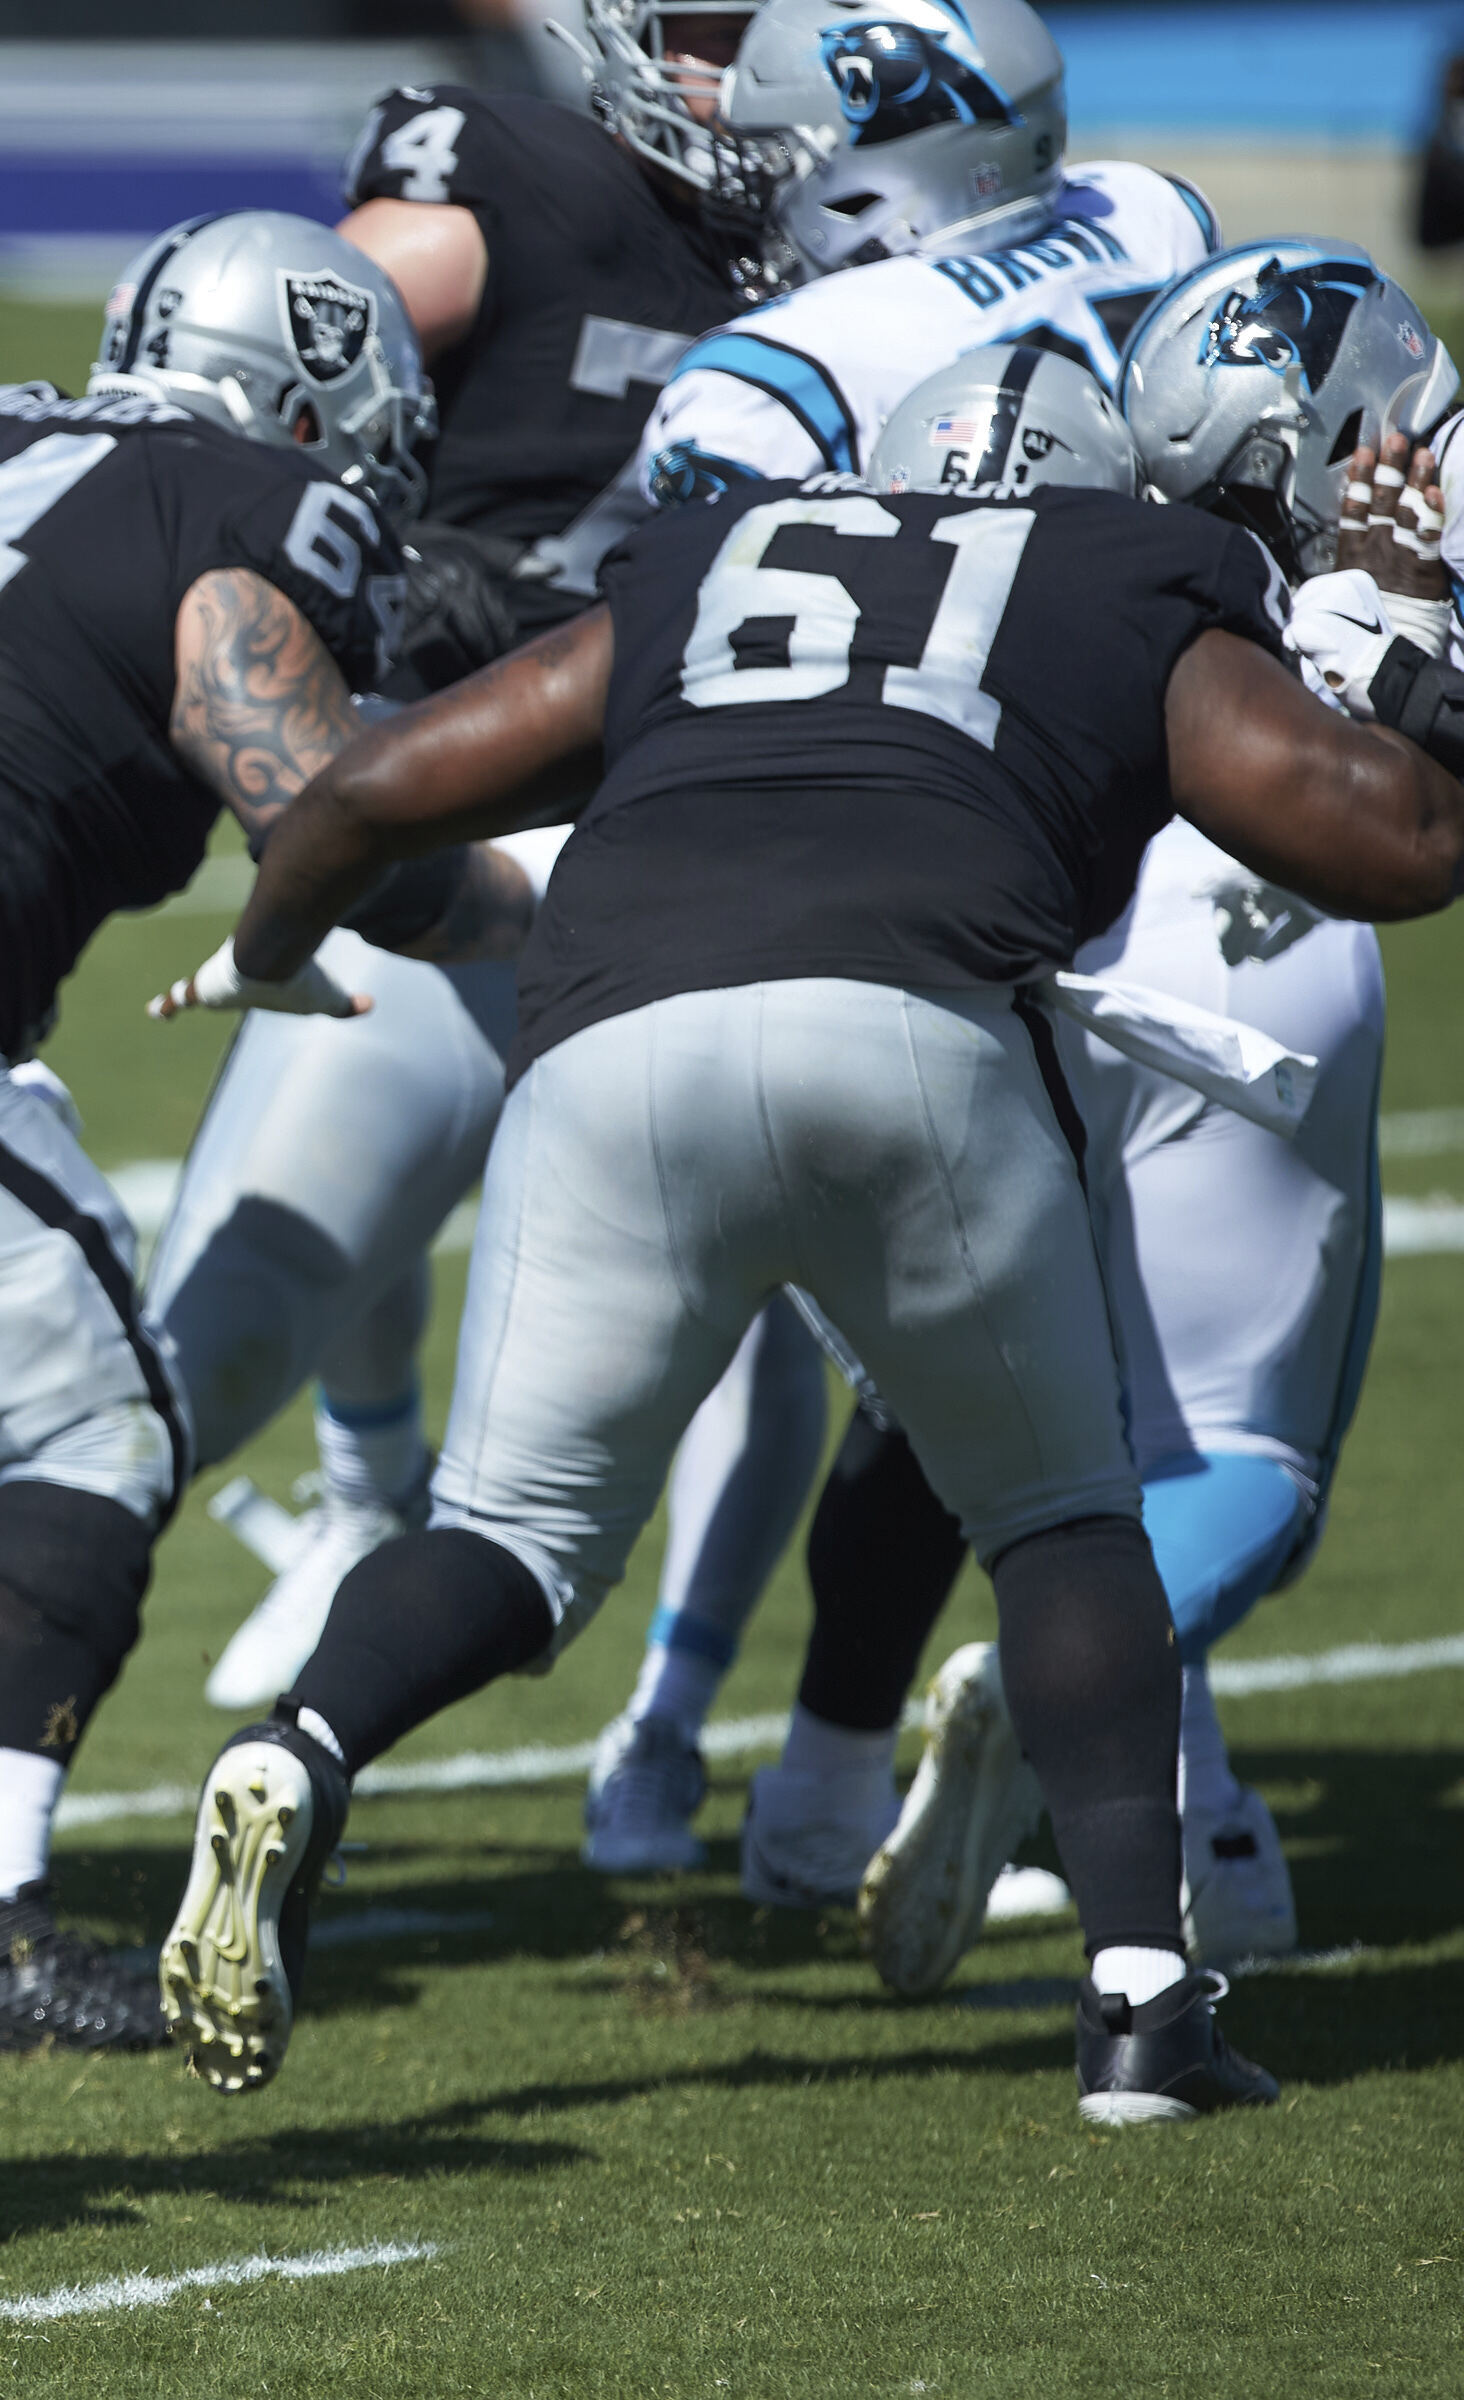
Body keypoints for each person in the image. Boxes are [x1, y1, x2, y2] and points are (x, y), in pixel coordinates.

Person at [155, 343, 1464, 2128]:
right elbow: (1389, 843)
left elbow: (382, 788)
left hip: (615, 1038)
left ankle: (302, 1747)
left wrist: (271, 949)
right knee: (1065, 1523)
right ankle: (1145, 2010)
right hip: (917, 1035)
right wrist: (1404, 636)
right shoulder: (1124, 569)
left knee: (516, 1541)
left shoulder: (717, 554)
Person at [0, 211, 527, 2057]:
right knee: (98, 1421)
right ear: (317, 404)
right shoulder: (244, 501)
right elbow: (331, 821)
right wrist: (558, 902)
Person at [563, 0, 1224, 1889]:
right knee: (1069, 1366)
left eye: (783, 158)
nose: (752, 189)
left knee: (839, 1330)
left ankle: (695, 1747)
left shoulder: (773, 368)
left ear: (884, 153)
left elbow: (715, 676)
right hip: (1175, 815)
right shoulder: (1148, 211)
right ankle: (963, 1793)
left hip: (915, 862)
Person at [156, 1, 812, 1721]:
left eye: (766, 32)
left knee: (773, 1307)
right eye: (700, 29)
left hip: (712, 837)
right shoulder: (509, 180)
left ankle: (689, 1743)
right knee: (214, 1339)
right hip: (453, 794)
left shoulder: (870, 250)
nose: (727, 77)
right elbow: (275, 377)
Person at [820, 248, 1457, 1994]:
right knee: (1249, 1456)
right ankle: (1041, 1697)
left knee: (1102, 1422)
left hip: (1031, 944)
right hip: (1267, 929)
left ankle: (1214, 1850)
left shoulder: (1109, 544)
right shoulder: (1395, 519)